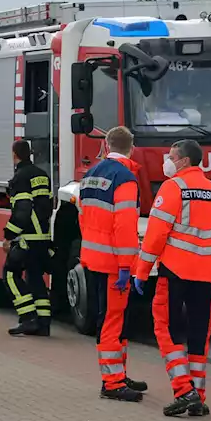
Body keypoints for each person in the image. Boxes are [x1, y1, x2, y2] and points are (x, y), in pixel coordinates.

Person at [133, 139, 211, 418]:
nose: (167, 161)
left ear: (184, 161)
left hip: (176, 273)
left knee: (166, 330)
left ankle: (183, 390)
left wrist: (141, 271)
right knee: (198, 336)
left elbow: (155, 235)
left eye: (171, 157)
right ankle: (198, 397)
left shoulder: (173, 188)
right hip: (208, 276)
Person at [77, 126, 148, 402]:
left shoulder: (91, 174)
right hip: (114, 264)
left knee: (109, 318)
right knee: (113, 321)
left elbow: (83, 218)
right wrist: (126, 266)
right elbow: (125, 226)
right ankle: (113, 382)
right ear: (132, 148)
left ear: (106, 147)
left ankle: (119, 373)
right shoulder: (126, 178)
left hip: (93, 259)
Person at [4, 140, 54, 336]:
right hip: (43, 237)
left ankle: (27, 318)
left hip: (27, 239)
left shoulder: (20, 178)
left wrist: (9, 235)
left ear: (14, 154)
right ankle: (43, 324)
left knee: (9, 274)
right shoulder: (42, 175)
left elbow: (23, 212)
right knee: (35, 278)